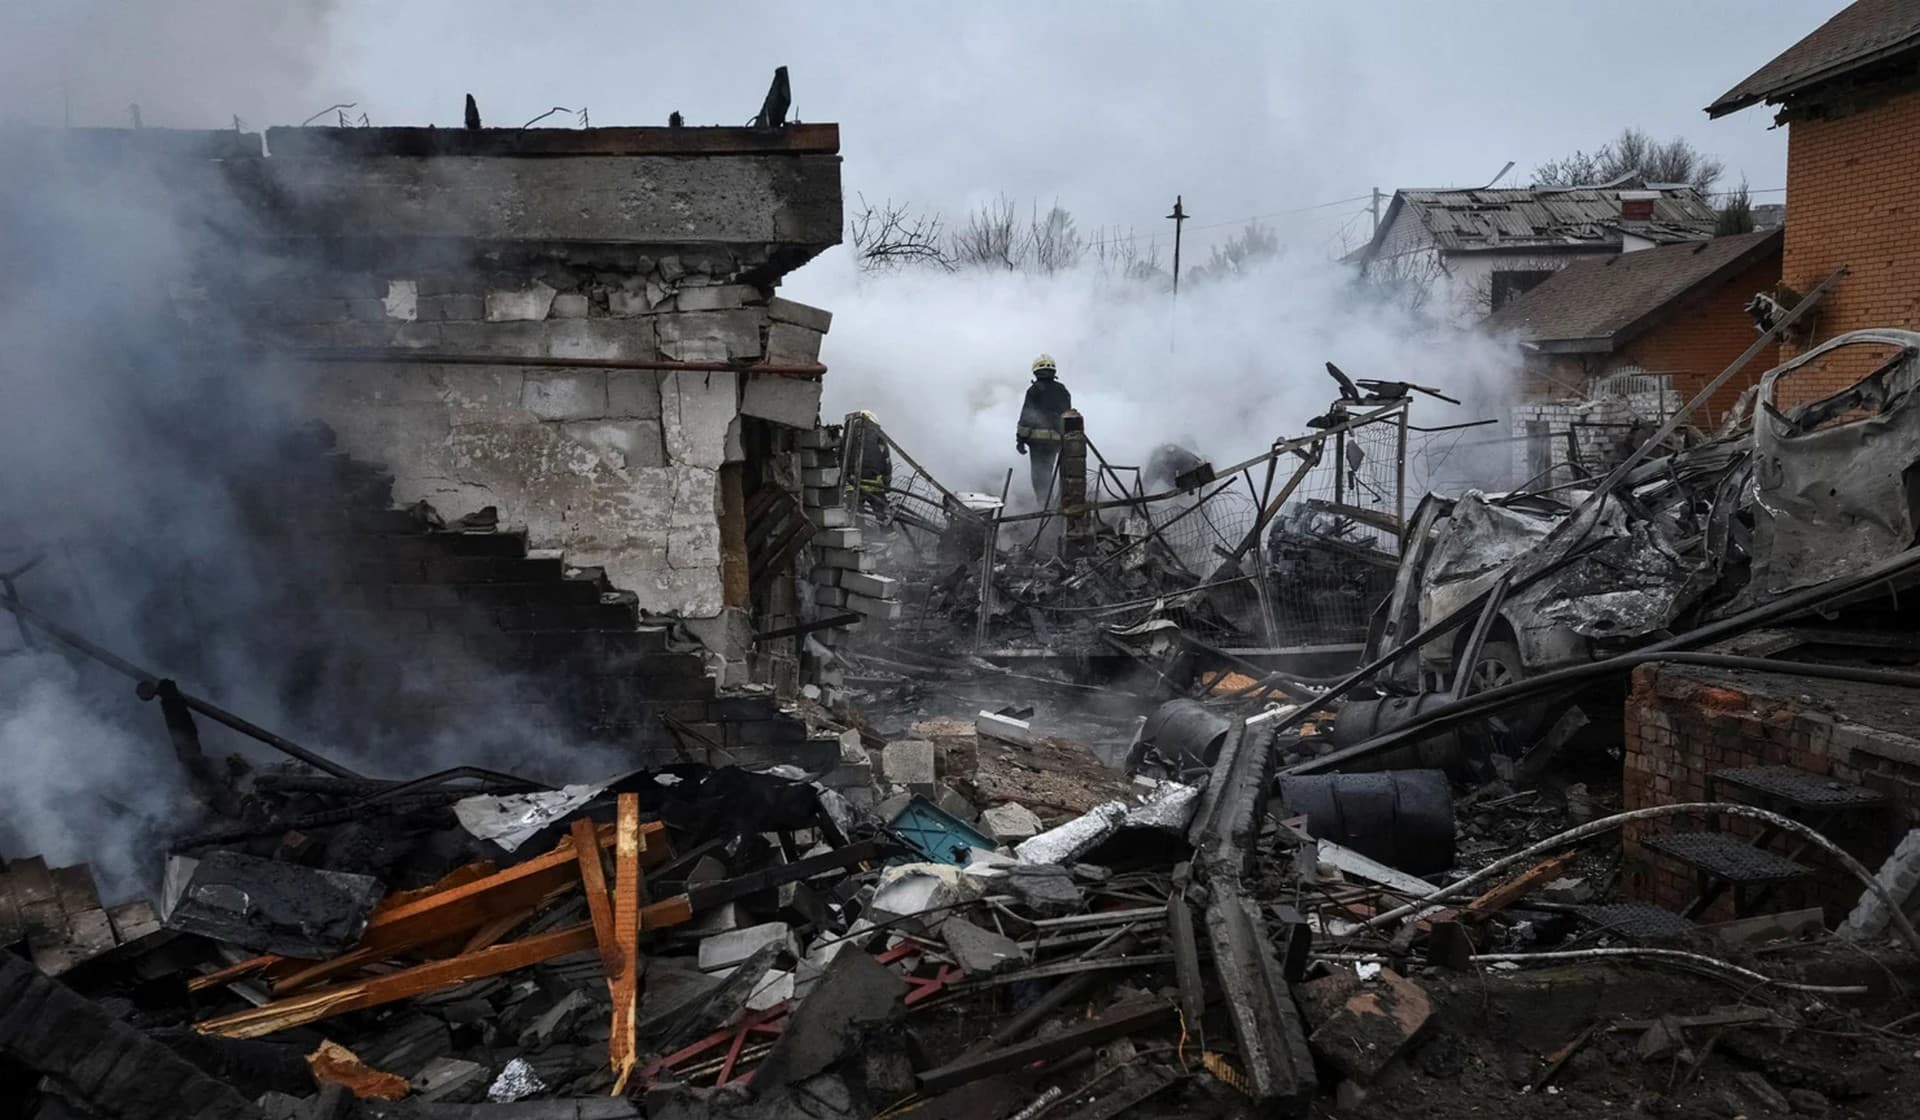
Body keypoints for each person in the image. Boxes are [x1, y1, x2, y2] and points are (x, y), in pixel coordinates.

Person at [1015, 354, 1072, 503]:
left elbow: (1026, 417)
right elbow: (1068, 415)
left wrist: (1020, 440)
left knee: (1040, 475)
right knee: (1053, 471)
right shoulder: (1062, 390)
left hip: (1037, 443)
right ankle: (1057, 503)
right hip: (1056, 442)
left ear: (1036, 372)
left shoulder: (1034, 390)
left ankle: (1044, 505)